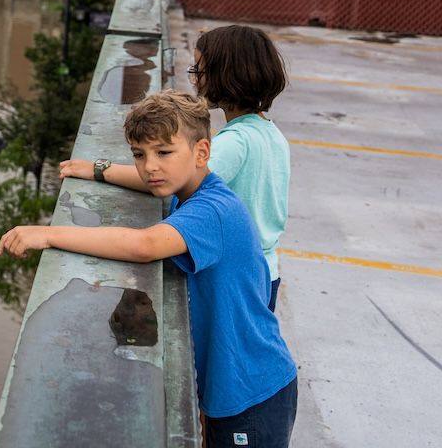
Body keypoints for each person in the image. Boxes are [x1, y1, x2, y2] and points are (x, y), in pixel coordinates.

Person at [0, 91, 297, 447]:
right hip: (234, 383)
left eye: (164, 152)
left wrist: (47, 234)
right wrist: (98, 170)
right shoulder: (191, 191)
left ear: (202, 152)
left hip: (252, 392)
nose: (150, 166)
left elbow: (145, 246)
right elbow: (152, 181)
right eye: (140, 155)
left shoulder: (213, 211)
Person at [60, 25, 290, 311]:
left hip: (240, 278)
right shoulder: (270, 133)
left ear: (225, 74)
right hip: (265, 269)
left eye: (199, 70)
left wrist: (101, 170)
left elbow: (168, 179)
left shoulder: (237, 142)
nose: (194, 78)